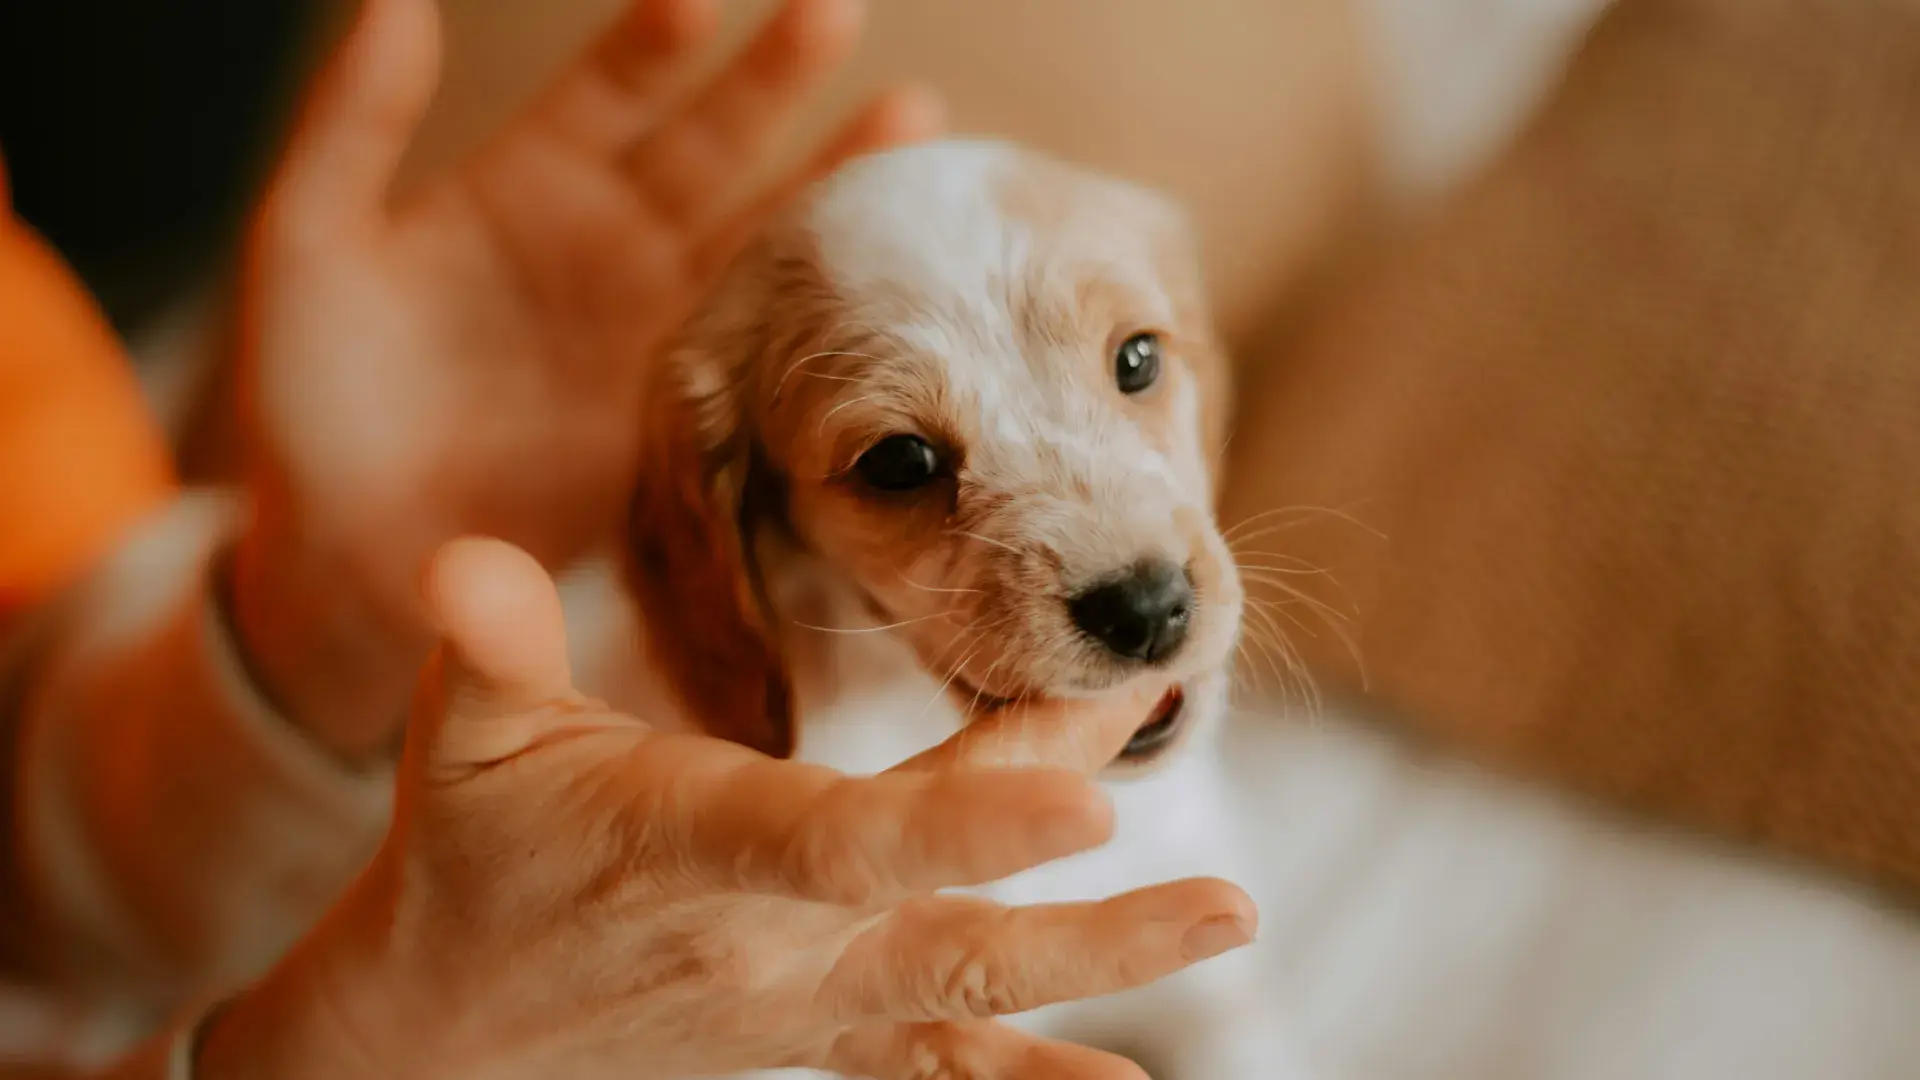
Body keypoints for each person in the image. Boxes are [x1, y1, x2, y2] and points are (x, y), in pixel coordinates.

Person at [0, 0, 1256, 1075]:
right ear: (727, 514)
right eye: (904, 463)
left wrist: (315, 617)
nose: (1138, 577)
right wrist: (351, 1041)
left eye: (1136, 363)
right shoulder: (694, 766)